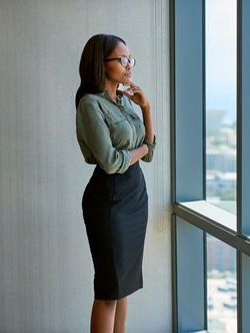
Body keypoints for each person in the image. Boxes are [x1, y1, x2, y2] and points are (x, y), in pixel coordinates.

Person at [75, 34, 156, 333]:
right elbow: (110, 161)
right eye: (122, 60)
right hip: (109, 200)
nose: (129, 65)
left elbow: (148, 152)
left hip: (135, 197)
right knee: (109, 290)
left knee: (123, 287)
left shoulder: (123, 101)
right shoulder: (89, 104)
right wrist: (143, 149)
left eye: (130, 59)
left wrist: (146, 109)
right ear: (101, 63)